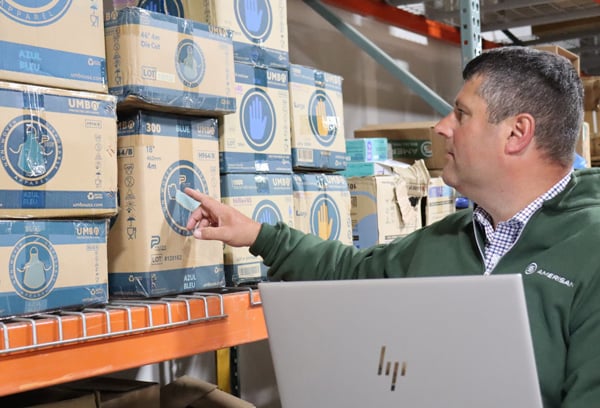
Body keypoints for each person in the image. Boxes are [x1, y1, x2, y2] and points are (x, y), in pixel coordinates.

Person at [185, 46, 600, 408]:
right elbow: (349, 272)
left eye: (461, 114)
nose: (442, 127)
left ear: (516, 133)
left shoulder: (589, 252)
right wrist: (256, 234)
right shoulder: (448, 238)